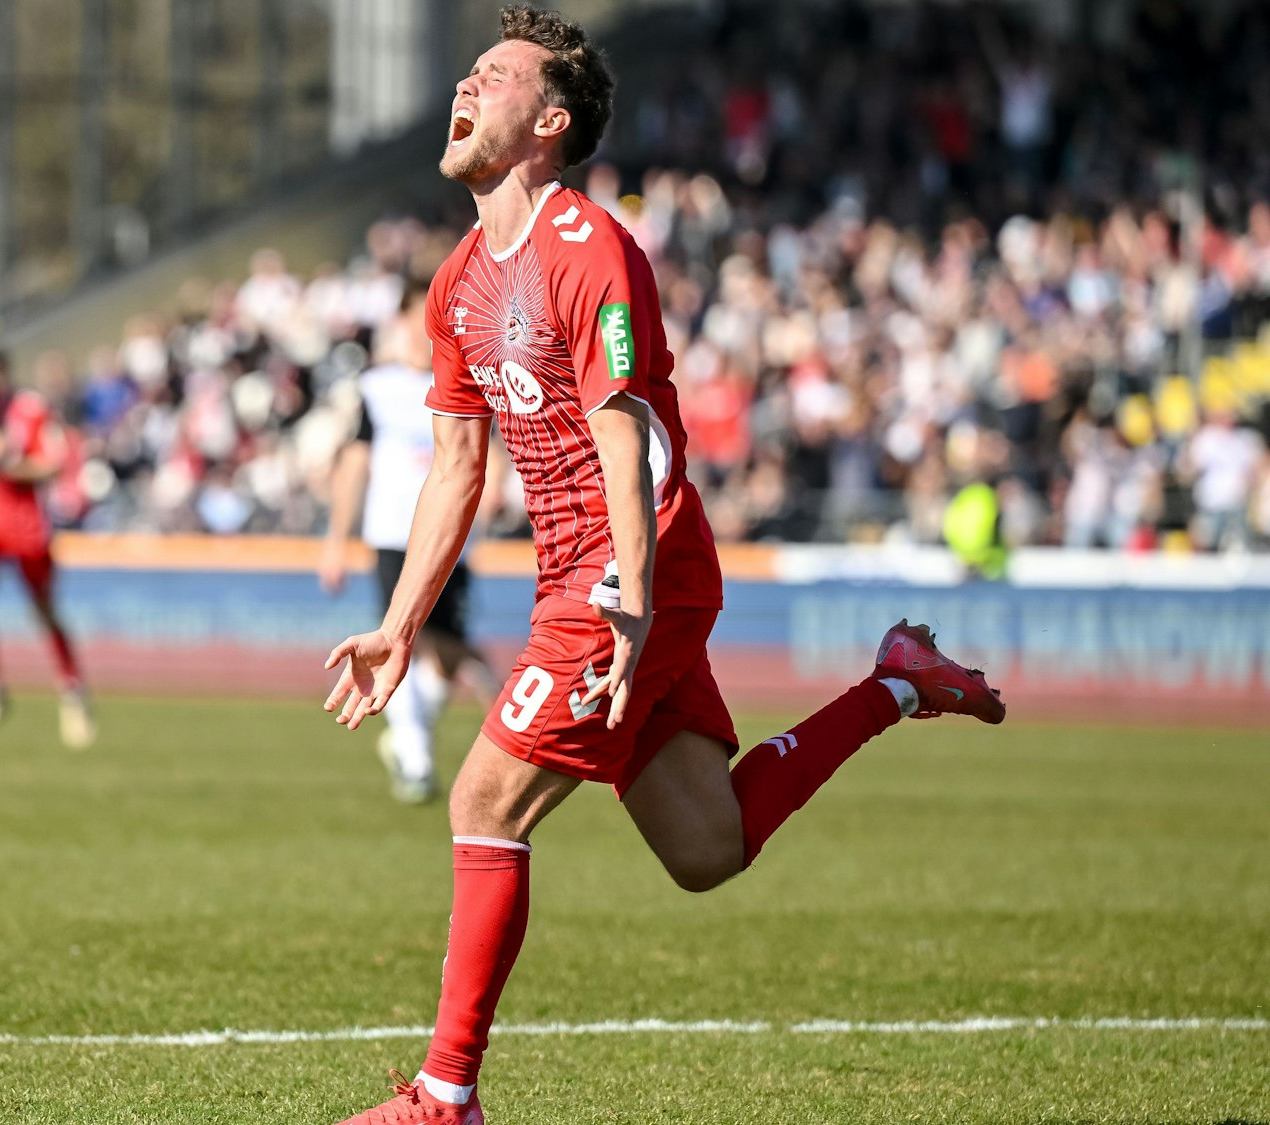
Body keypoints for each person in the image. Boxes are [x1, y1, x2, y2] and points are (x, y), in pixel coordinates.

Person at [319, 10, 1006, 1122]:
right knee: (705, 848)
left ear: (545, 122)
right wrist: (400, 623)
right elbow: (454, 466)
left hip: (628, 568)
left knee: (482, 797)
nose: (463, 82)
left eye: (489, 75)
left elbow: (623, 431)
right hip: (582, 574)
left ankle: (443, 1098)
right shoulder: (453, 284)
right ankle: (895, 684)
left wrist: (630, 595)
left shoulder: (589, 249)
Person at [321, 292, 489, 804]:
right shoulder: (379, 389)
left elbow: (486, 451)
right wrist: (335, 539)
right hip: (397, 531)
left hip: (455, 536)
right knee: (400, 639)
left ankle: (406, 740)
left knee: (450, 656)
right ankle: (415, 760)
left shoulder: (468, 376)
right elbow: (355, 464)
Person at [0, 353, 97, 750]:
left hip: (26, 524)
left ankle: (73, 693)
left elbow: (52, 465)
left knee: (45, 613)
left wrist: (8, 467)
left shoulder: (29, 409)